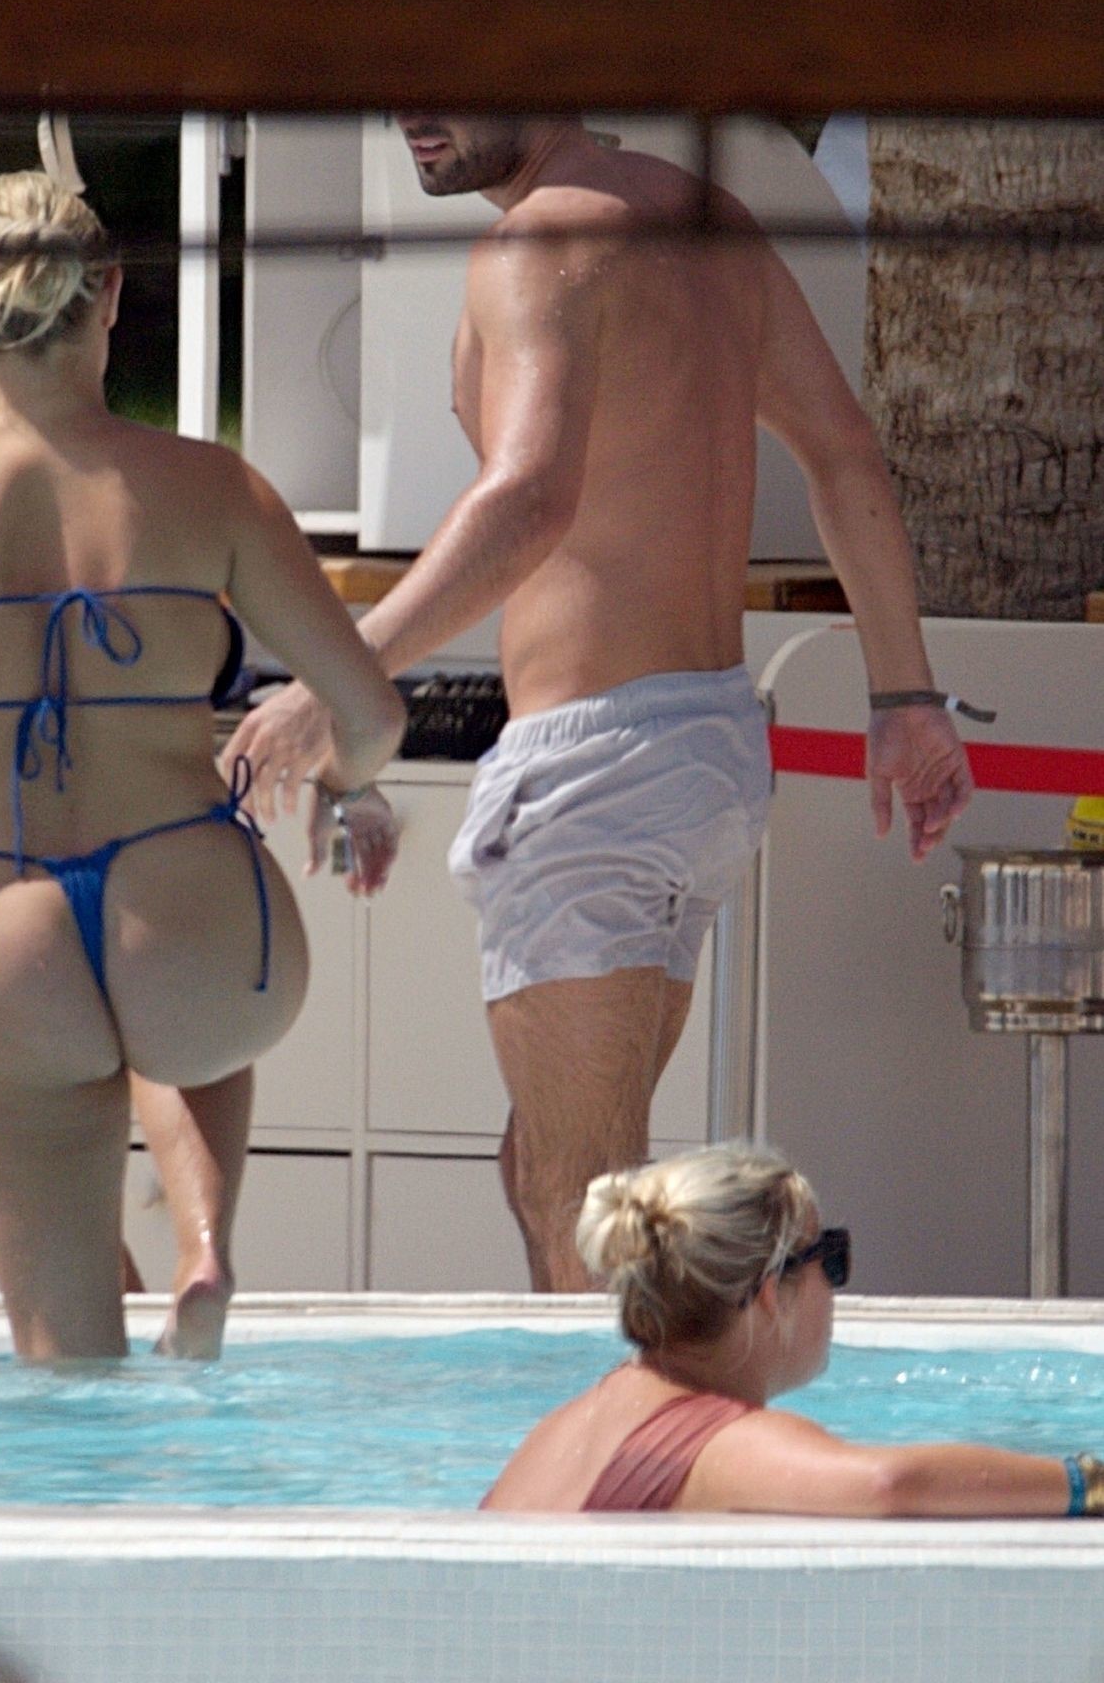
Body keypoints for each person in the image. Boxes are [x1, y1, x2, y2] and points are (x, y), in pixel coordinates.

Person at [223, 116, 975, 1291]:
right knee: (548, 1165)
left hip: (596, 769)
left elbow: (530, 496)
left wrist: (342, 677)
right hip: (702, 747)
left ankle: (638, 1414)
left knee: (579, 1194)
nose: (413, 106)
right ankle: (622, 1402)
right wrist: (904, 693)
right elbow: (840, 454)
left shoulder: (542, 241)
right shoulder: (707, 221)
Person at [0, 171, 407, 1362]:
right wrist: (345, 789)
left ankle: (123, 1369)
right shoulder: (212, 485)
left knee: (63, 1366)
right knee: (191, 1039)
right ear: (107, 294)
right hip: (191, 904)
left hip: (5, 919)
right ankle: (204, 1245)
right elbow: (365, 712)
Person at [481, 1142, 1103, 1516]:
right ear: (771, 1294)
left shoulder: (568, 1424)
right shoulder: (723, 1443)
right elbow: (888, 1485)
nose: (835, 1286)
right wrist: (1086, 1484)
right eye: (829, 1258)